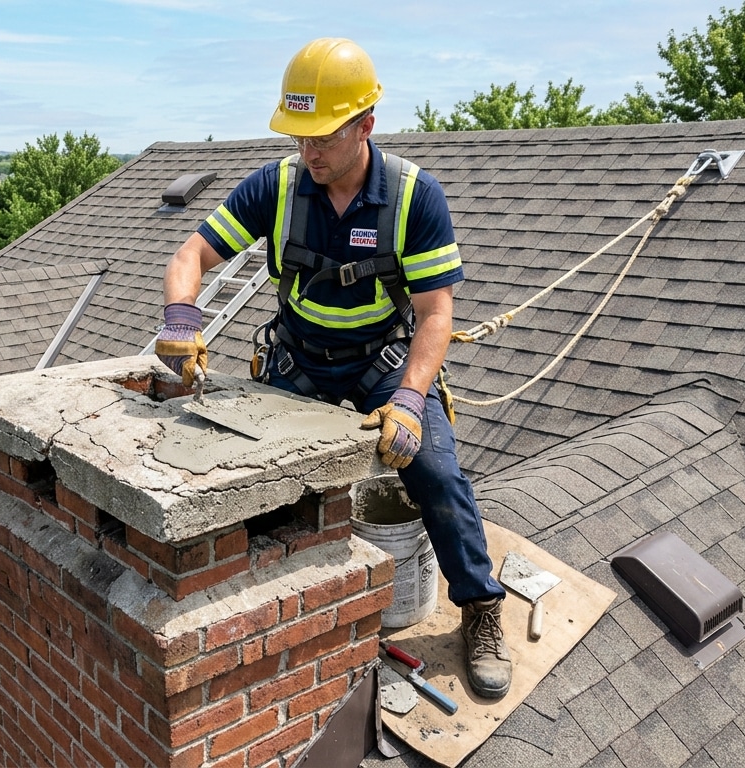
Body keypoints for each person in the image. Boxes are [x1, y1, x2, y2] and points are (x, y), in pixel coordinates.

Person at [155, 38, 511, 698]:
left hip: (383, 366)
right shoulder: (279, 188)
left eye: (323, 137)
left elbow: (435, 315)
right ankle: (261, 610)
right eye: (300, 138)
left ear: (365, 126)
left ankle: (482, 607)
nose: (309, 152)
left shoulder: (412, 197)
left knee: (435, 470)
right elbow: (190, 257)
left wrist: (409, 399)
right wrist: (180, 318)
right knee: (254, 475)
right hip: (299, 361)